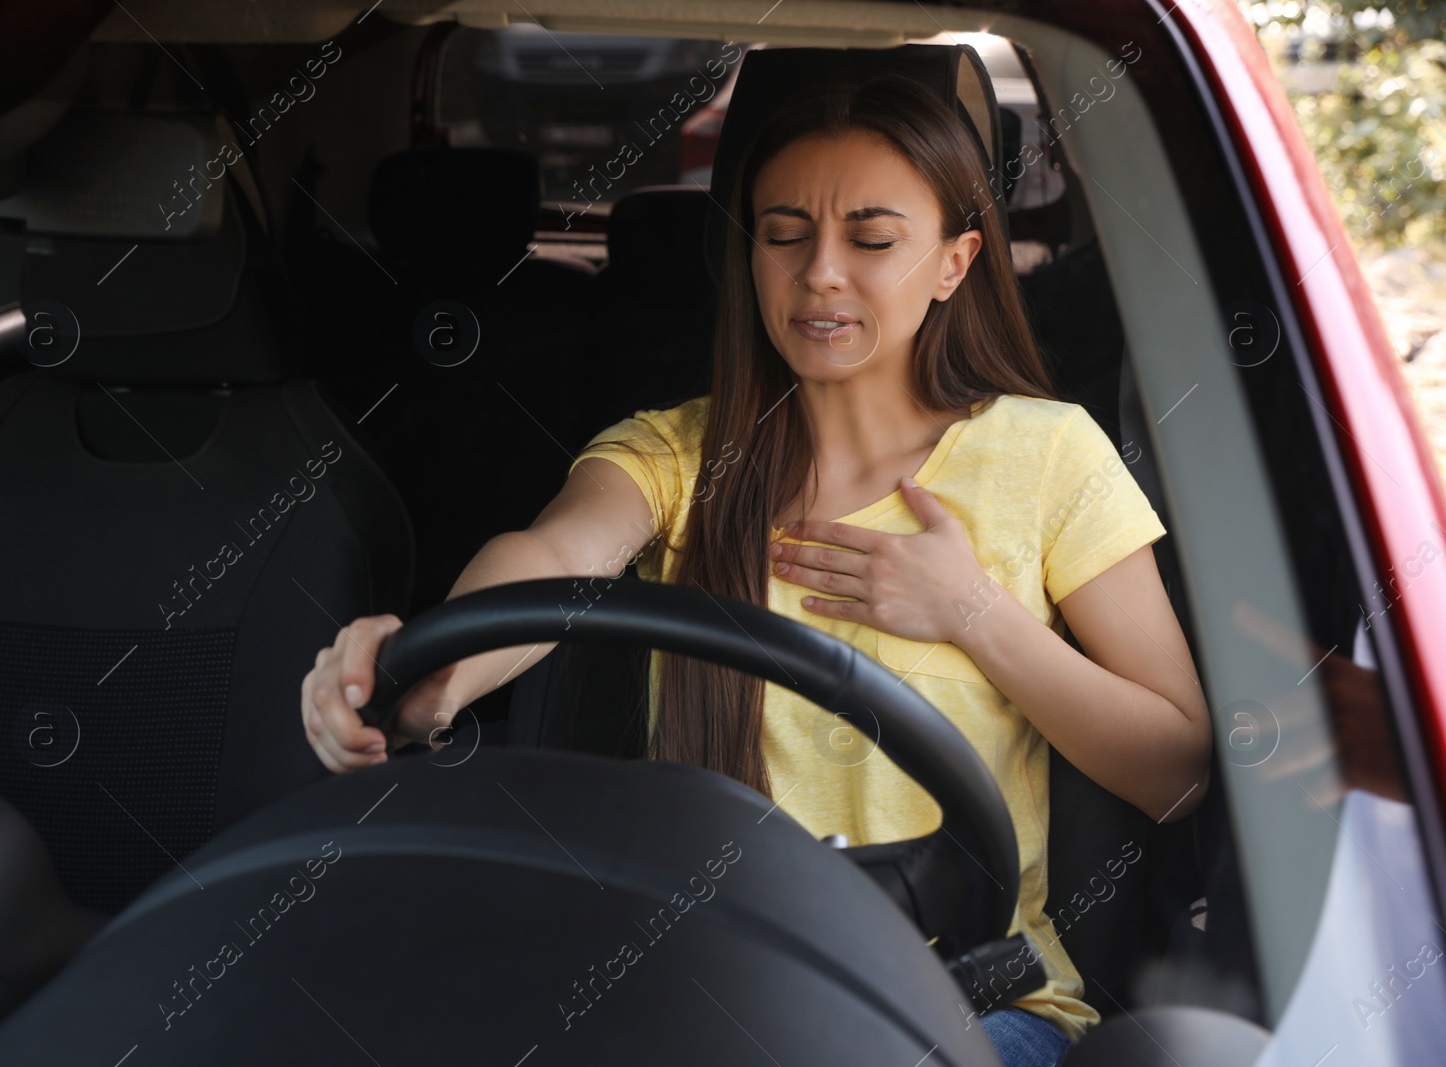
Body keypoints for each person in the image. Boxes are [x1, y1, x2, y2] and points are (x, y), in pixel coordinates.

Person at [301, 72, 1212, 1067]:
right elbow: (551, 558)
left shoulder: (1047, 454)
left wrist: (972, 611)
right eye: (784, 234)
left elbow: (1174, 770)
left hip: (959, 1006)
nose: (820, 272)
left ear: (954, 263)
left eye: (871, 240)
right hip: (695, 997)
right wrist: (433, 675)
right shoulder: (676, 455)